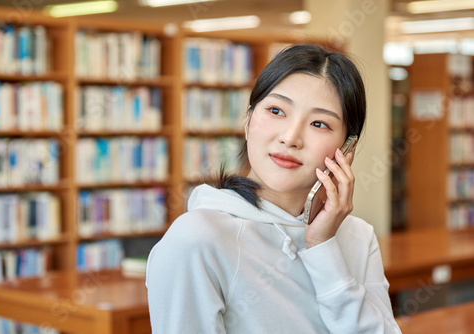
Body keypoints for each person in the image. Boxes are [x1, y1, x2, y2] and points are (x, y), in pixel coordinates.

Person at [146, 44, 402, 333]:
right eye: (276, 110)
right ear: (248, 120)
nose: (290, 138)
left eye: (319, 123)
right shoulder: (196, 239)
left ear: (347, 148)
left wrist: (323, 248)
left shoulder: (358, 237)